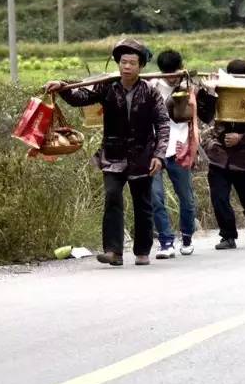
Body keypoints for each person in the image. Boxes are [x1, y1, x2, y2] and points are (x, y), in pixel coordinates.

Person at [45, 39, 168, 267]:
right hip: (113, 154)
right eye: (123, 62)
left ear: (141, 67)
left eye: (132, 63)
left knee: (142, 203)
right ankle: (113, 251)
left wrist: (159, 155)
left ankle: (142, 250)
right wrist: (62, 87)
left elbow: (162, 124)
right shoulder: (107, 86)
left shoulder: (151, 92)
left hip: (142, 156)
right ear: (118, 64)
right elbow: (80, 97)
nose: (127, 67)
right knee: (112, 197)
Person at [196, 59, 245, 250]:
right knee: (219, 197)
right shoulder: (218, 90)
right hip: (219, 155)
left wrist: (242, 137)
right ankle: (228, 235)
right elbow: (205, 116)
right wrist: (210, 93)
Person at [148, 50, 199, 260]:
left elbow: (197, 114)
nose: (172, 77)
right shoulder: (150, 86)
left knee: (186, 197)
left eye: (175, 72)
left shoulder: (188, 87)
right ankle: (165, 241)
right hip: (155, 149)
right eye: (167, 73)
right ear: (162, 71)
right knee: (155, 197)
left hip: (180, 148)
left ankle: (187, 237)